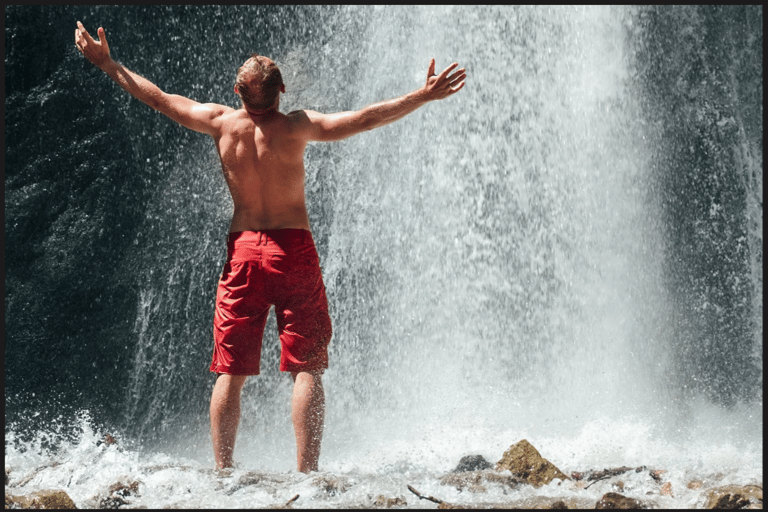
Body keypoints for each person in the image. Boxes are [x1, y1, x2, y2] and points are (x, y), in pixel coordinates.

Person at [75, 20, 466, 473]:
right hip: (293, 251)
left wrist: (108, 63)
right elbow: (364, 118)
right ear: (281, 89)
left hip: (243, 252)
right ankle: (308, 474)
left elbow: (159, 98)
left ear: (236, 91)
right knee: (307, 367)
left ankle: (222, 473)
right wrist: (421, 96)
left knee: (229, 371)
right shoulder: (299, 126)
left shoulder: (221, 124)